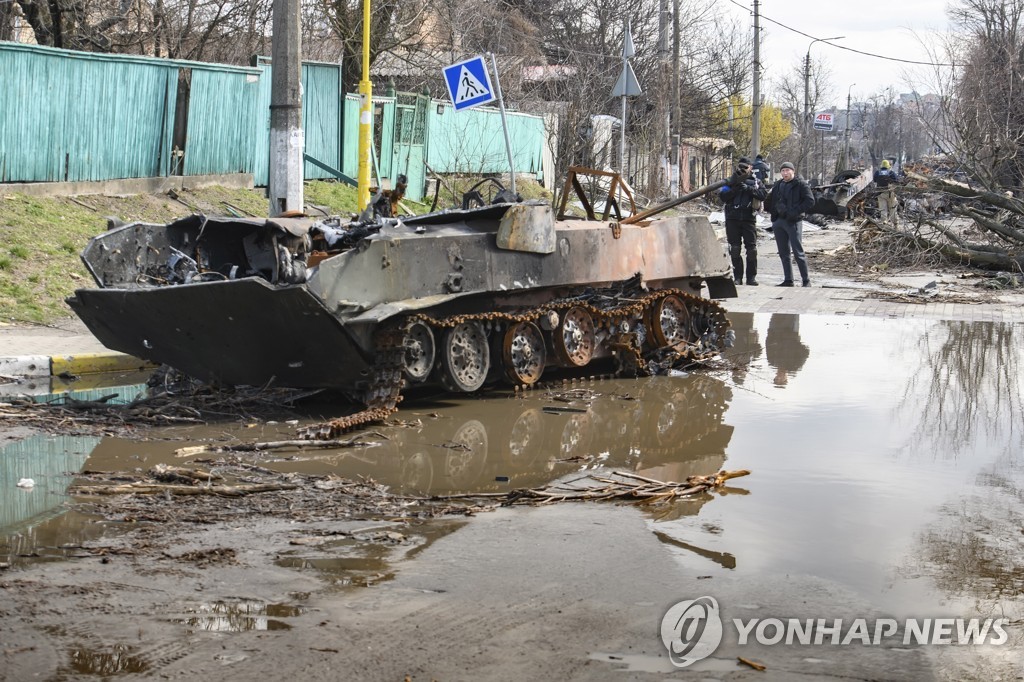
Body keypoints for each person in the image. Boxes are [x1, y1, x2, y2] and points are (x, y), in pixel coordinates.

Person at [764, 161, 816, 287]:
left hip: (793, 221)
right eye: (783, 171)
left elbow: (810, 201)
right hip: (779, 221)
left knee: (798, 252)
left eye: (788, 170)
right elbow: (769, 200)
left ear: (793, 171)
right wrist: (773, 213)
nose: (785, 173)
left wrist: (794, 212)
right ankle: (788, 279)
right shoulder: (778, 185)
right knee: (783, 252)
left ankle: (806, 280)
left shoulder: (801, 184)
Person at [719, 157, 768, 286]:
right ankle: (738, 277)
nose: (743, 170)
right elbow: (722, 196)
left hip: (748, 219)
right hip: (732, 218)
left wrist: (747, 188)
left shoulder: (756, 181)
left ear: (750, 168)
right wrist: (735, 188)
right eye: (741, 167)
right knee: (734, 249)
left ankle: (751, 277)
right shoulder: (730, 181)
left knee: (751, 250)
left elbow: (763, 195)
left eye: (746, 167)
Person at [765, 313, 809, 387]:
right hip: (790, 329)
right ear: (786, 379)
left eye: (776, 379)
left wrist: (770, 333)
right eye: (781, 380)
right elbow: (805, 352)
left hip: (774, 330)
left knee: (777, 309)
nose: (778, 377)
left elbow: (768, 345)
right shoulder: (794, 366)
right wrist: (793, 341)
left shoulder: (772, 362)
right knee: (791, 310)